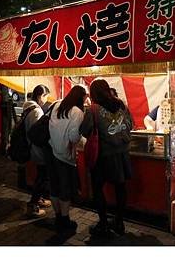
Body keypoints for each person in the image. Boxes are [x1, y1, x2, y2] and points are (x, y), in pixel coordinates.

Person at [80, 79, 134, 237]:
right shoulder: (121, 104)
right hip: (122, 153)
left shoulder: (93, 110)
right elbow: (130, 125)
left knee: (97, 188)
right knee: (120, 187)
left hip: (103, 156)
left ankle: (103, 223)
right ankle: (119, 222)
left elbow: (85, 130)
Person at [48, 85, 88, 233]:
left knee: (54, 186)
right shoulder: (77, 112)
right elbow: (73, 136)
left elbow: (51, 126)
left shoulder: (57, 105)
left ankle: (58, 217)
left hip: (52, 151)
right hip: (65, 156)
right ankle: (65, 220)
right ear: (81, 97)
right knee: (65, 188)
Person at [23, 84, 52, 217]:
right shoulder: (37, 111)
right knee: (42, 177)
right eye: (46, 96)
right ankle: (32, 205)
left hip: (32, 147)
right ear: (41, 96)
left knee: (40, 176)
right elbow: (38, 134)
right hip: (37, 149)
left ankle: (38, 199)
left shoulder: (28, 107)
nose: (46, 99)